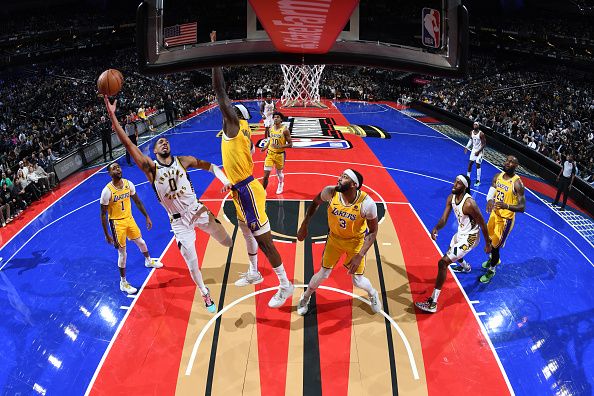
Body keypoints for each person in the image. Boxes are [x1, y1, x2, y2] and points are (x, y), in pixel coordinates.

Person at [103, 95, 233, 313]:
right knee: (193, 263)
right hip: (179, 223)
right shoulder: (151, 168)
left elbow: (210, 166)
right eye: (159, 142)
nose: (163, 142)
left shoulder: (184, 160)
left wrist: (226, 180)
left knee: (228, 242)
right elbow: (127, 142)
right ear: (154, 152)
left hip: (198, 211)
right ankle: (204, 292)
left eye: (166, 140)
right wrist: (112, 116)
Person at [211, 30, 294, 308]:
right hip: (239, 189)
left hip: (247, 190)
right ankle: (255, 271)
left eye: (230, 112)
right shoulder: (241, 130)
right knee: (246, 232)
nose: (226, 113)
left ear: (236, 118)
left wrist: (214, 54)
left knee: (266, 241)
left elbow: (221, 93)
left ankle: (285, 284)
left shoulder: (233, 127)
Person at [296, 169, 382, 315]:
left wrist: (360, 255)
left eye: (345, 177)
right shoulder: (330, 192)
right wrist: (304, 225)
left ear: (354, 184)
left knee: (358, 281)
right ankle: (305, 297)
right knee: (323, 273)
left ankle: (373, 294)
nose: (339, 178)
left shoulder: (367, 204)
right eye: (341, 175)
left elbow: (373, 231)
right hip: (334, 239)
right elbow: (315, 203)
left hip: (355, 242)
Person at [415, 175, 491, 313]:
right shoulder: (451, 198)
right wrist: (436, 228)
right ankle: (466, 267)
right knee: (453, 252)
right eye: (455, 181)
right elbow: (444, 218)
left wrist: (488, 243)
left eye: (458, 183)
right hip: (461, 233)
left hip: (470, 238)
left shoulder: (469, 204)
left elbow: (482, 224)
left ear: (465, 187)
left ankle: (433, 303)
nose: (454, 184)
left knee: (443, 262)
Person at [100, 162, 161, 294]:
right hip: (117, 224)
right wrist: (107, 234)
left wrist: (147, 216)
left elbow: (137, 201)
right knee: (123, 253)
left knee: (141, 242)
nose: (117, 169)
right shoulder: (107, 191)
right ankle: (123, 282)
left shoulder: (129, 184)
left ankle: (148, 261)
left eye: (118, 167)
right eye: (114, 169)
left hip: (129, 219)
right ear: (109, 174)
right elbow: (103, 215)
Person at [480, 155, 526, 283]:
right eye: (507, 160)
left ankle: (492, 269)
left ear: (516, 166)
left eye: (511, 162)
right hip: (494, 214)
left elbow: (522, 207)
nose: (507, 163)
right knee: (489, 238)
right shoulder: (497, 176)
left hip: (506, 220)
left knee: (495, 247)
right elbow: (492, 191)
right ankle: (493, 258)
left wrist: (507, 206)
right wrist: (489, 200)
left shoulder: (517, 183)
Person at [261, 112, 292, 194]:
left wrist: (280, 146)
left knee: (279, 173)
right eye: (274, 117)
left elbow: (290, 144)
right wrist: (265, 147)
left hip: (280, 155)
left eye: (278, 117)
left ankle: (281, 183)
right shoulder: (271, 128)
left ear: (281, 119)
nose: (275, 118)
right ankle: (262, 191)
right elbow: (270, 139)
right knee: (265, 175)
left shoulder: (285, 130)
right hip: (270, 154)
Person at [464, 121, 486, 187]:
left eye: (476, 125)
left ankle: (478, 180)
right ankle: (468, 178)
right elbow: (471, 140)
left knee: (477, 163)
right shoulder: (471, 132)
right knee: (470, 163)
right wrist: (467, 147)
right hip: (474, 150)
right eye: (474, 124)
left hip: (480, 151)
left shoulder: (481, 134)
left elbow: (484, 144)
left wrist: (478, 151)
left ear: (478, 126)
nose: (475, 125)